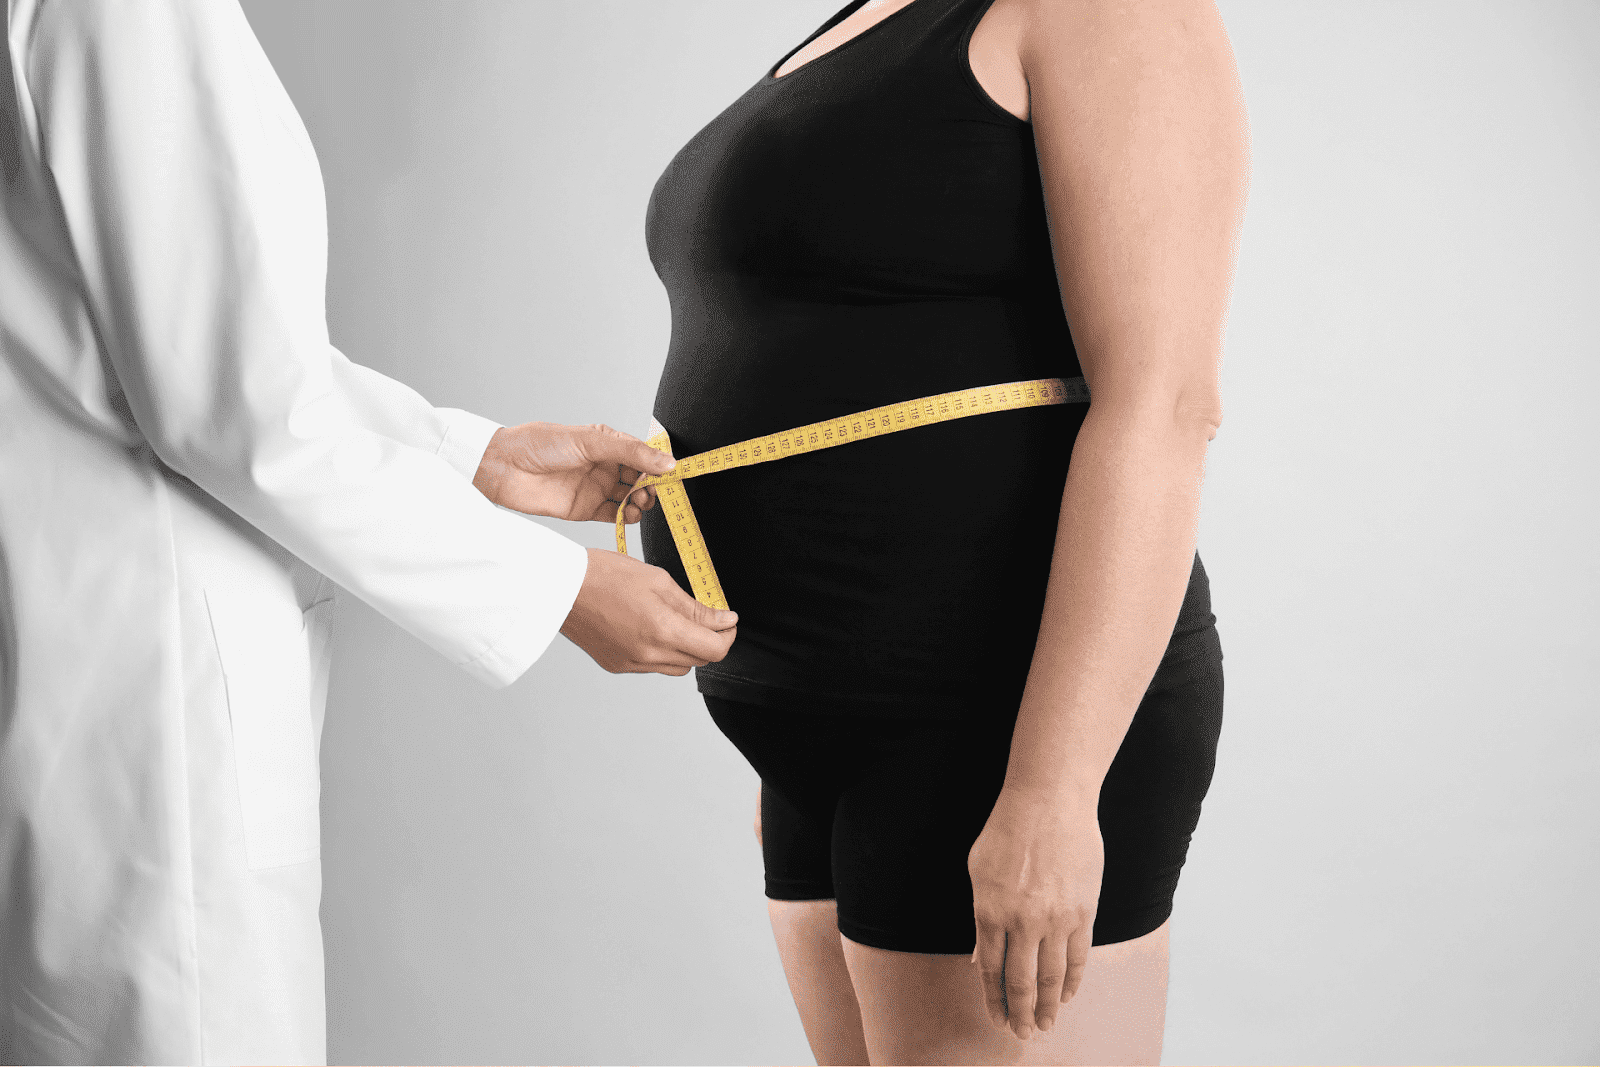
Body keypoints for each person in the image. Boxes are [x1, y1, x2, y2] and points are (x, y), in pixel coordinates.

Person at [0, 2, 738, 1064]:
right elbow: (236, 408)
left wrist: (463, 456)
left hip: (61, 650)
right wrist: (552, 592)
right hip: (144, 709)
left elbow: (155, 332)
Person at [638, 0, 1249, 1062]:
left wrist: (1055, 791)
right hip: (821, 723)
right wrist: (801, 745)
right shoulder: (871, 19)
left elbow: (1163, 407)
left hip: (989, 716)